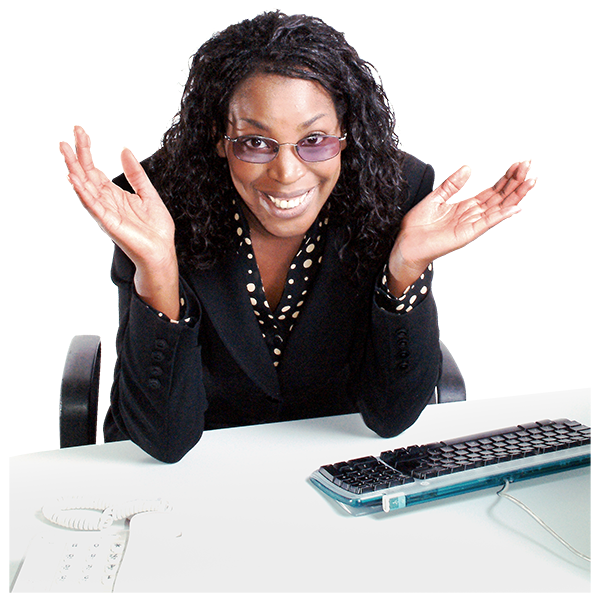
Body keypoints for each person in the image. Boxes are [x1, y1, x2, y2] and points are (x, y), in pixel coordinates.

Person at [59, 12, 535, 463]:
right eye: (254, 142)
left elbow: (392, 419)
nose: (287, 173)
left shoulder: (396, 195)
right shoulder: (157, 204)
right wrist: (158, 270)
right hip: (195, 475)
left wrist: (404, 271)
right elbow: (162, 440)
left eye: (315, 140)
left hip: (333, 466)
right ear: (217, 136)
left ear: (347, 133)